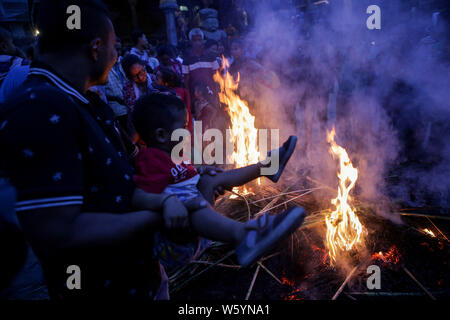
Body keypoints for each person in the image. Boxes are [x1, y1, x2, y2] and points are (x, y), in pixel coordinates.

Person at [0, 0, 210, 300]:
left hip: (139, 278)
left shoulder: (85, 102)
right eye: (114, 46)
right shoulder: (41, 107)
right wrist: (163, 214)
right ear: (95, 47)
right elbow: (60, 232)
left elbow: (120, 183)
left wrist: (167, 198)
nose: (116, 56)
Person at [131, 93, 306, 269]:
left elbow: (177, 178)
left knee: (211, 178)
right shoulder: (150, 159)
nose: (188, 131)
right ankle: (245, 236)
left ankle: (267, 167)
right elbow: (138, 195)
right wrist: (167, 202)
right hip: (175, 241)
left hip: (198, 229)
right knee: (195, 204)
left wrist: (199, 171)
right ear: (161, 135)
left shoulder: (174, 153)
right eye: (183, 127)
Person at [182, 28, 220, 104]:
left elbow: (217, 76)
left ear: (203, 41)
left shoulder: (211, 57)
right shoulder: (187, 60)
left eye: (199, 40)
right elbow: (186, 81)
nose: (197, 43)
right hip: (195, 95)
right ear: (190, 42)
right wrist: (189, 98)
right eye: (194, 40)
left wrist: (217, 94)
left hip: (211, 93)